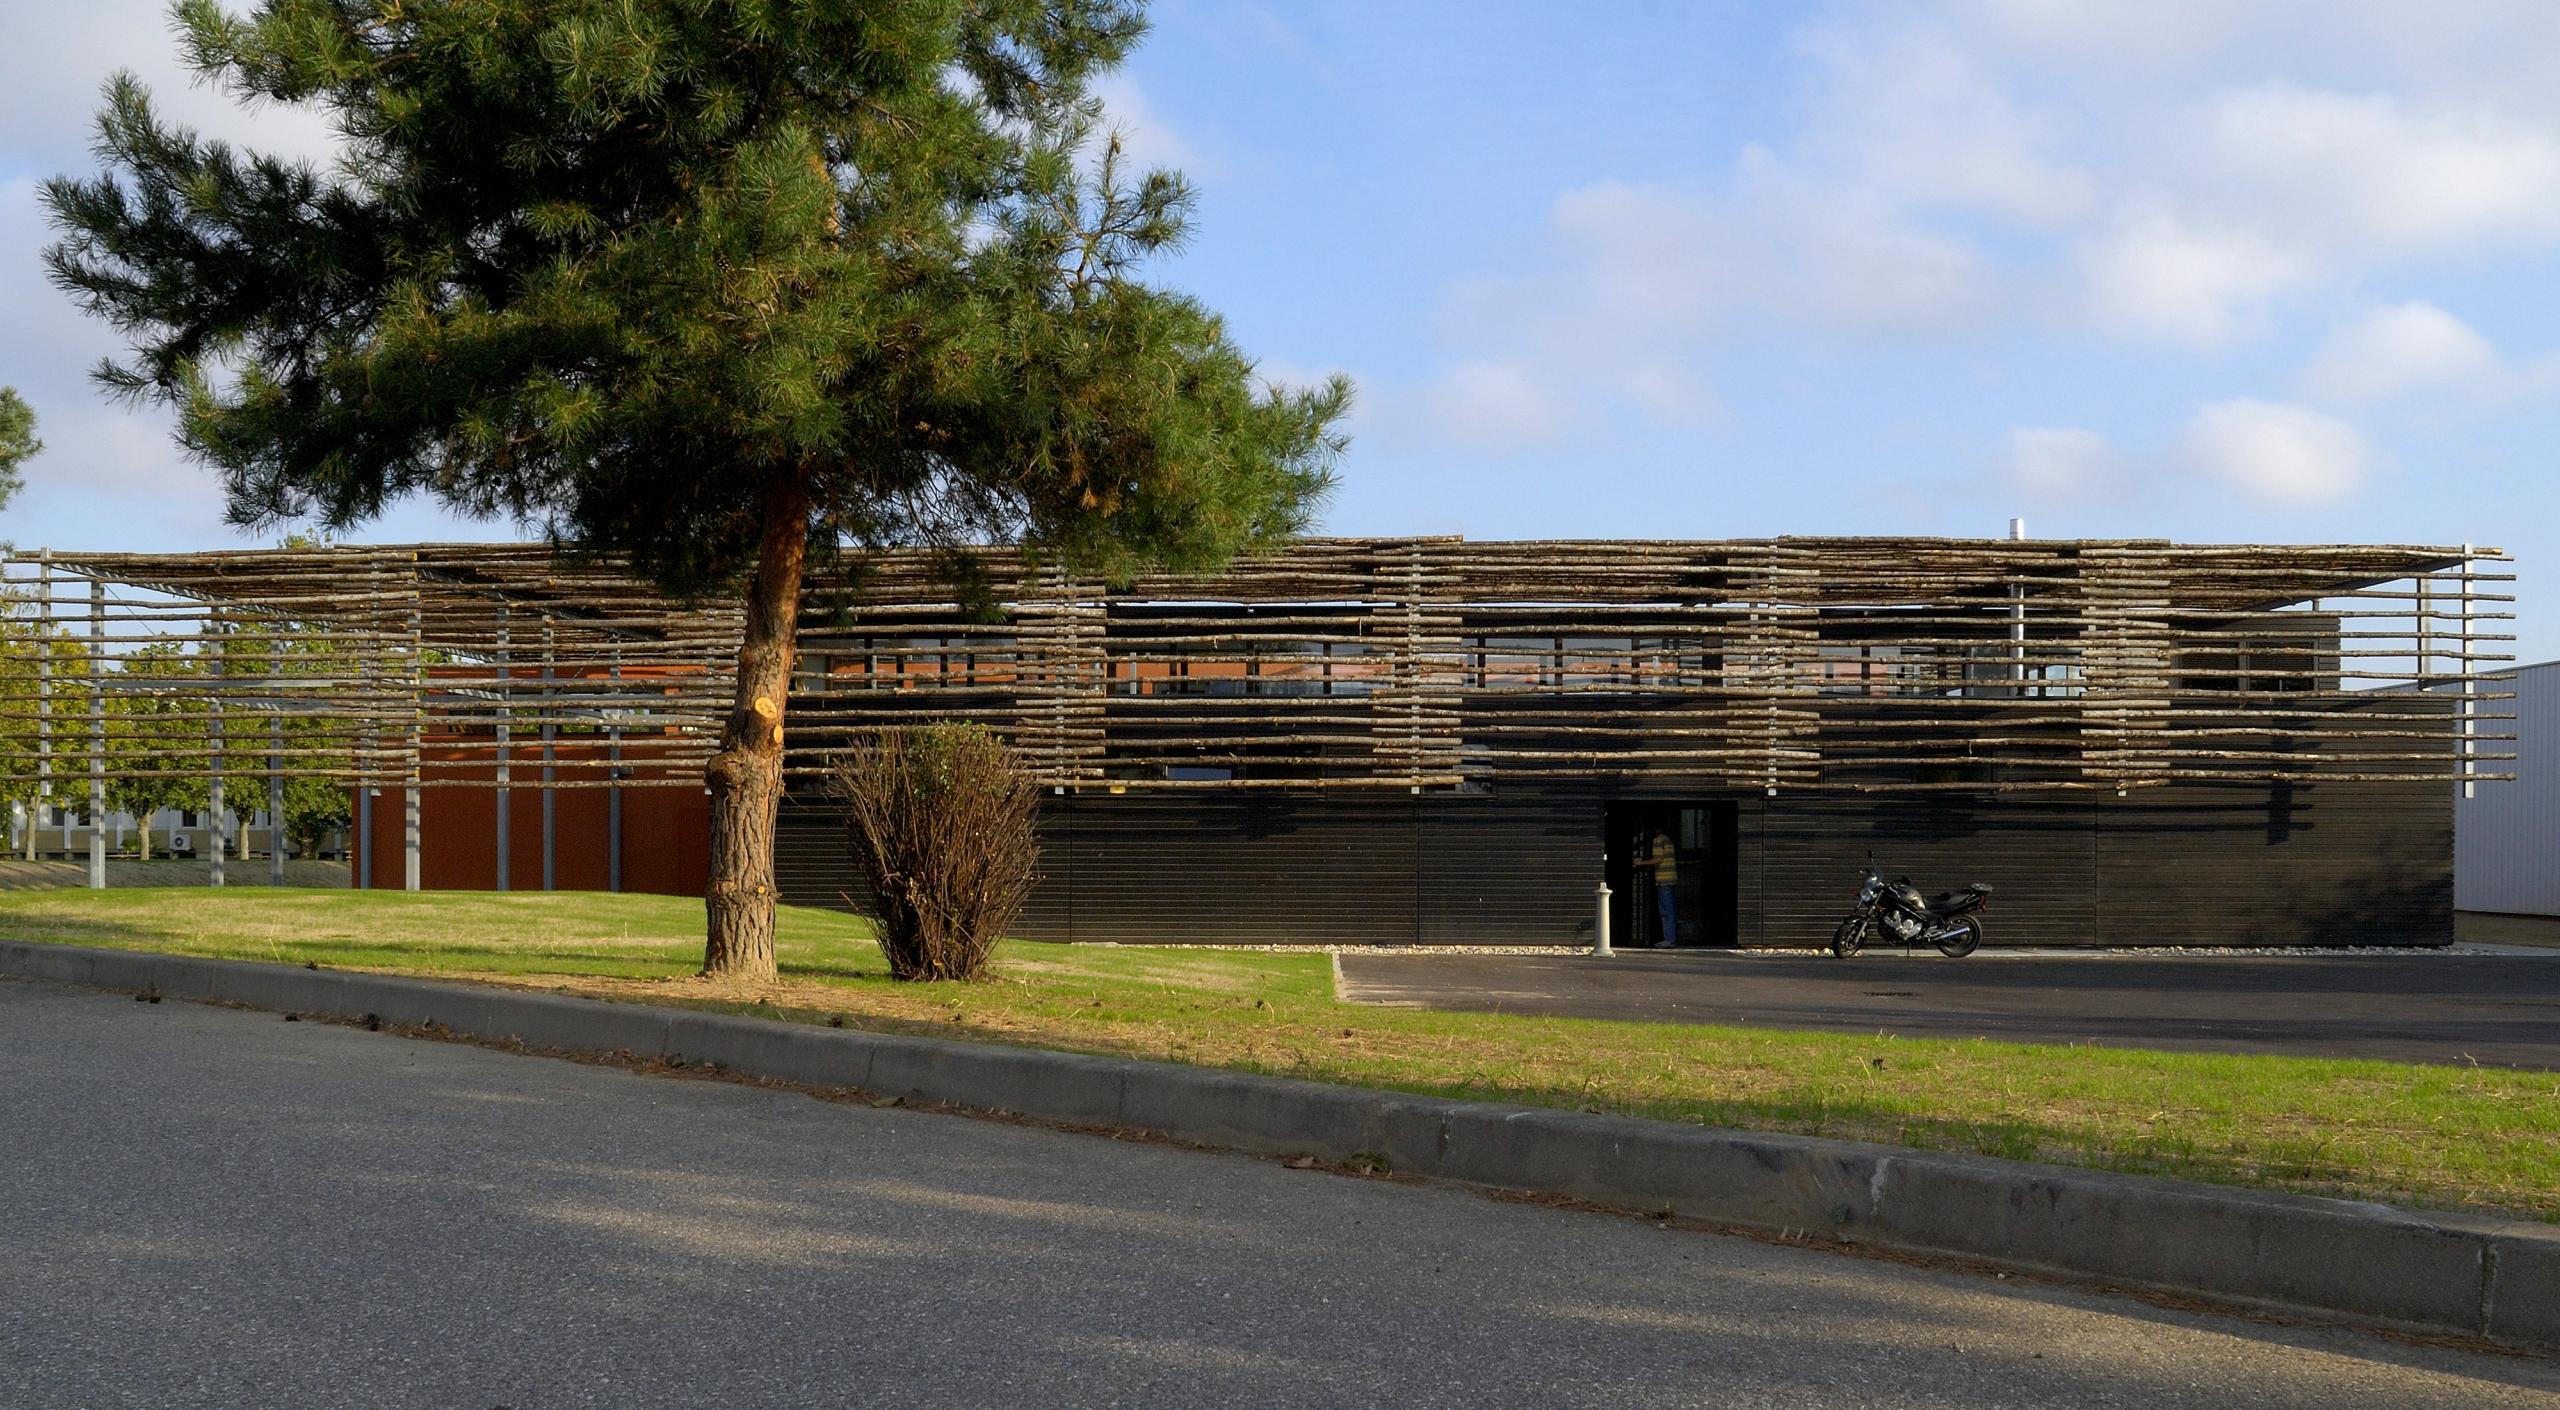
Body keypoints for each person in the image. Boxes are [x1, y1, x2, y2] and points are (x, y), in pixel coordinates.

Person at [1647, 827, 1680, 947]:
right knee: (1671, 910)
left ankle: (1669, 939)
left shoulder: (1658, 840)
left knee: (1666, 911)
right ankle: (1671, 938)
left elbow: (1658, 859)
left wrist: (1641, 862)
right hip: (1671, 878)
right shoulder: (1668, 840)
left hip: (1663, 879)